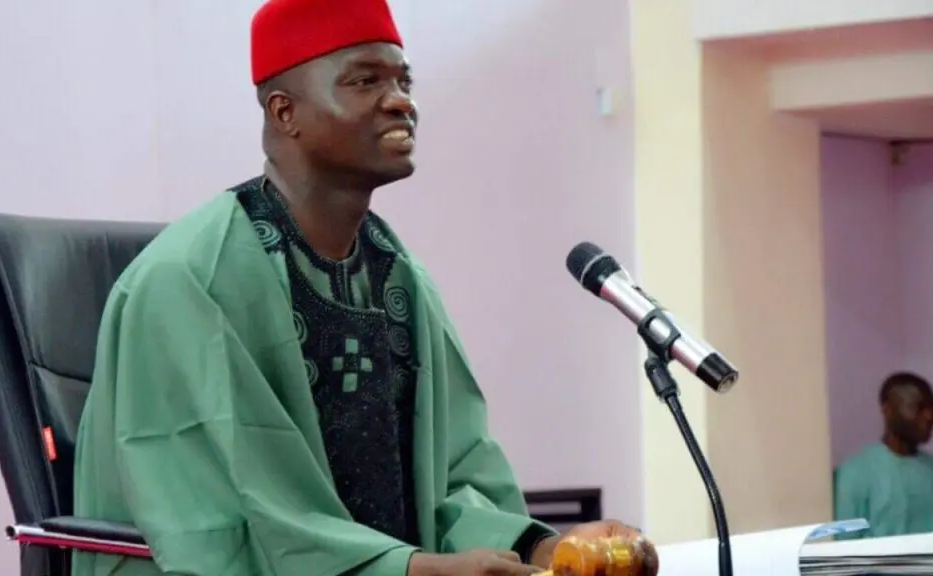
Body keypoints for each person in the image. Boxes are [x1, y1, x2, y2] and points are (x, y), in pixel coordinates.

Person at [72, 0, 659, 574]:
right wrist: (416, 570)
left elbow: (453, 477)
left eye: (404, 80)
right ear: (284, 112)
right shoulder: (190, 283)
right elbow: (229, 522)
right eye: (365, 81)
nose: (402, 101)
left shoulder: (397, 277)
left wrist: (547, 550)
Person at [833, 371, 933, 540]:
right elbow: (844, 545)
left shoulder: (929, 469)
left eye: (931, 408)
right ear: (888, 410)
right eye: (919, 407)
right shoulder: (854, 474)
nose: (929, 416)